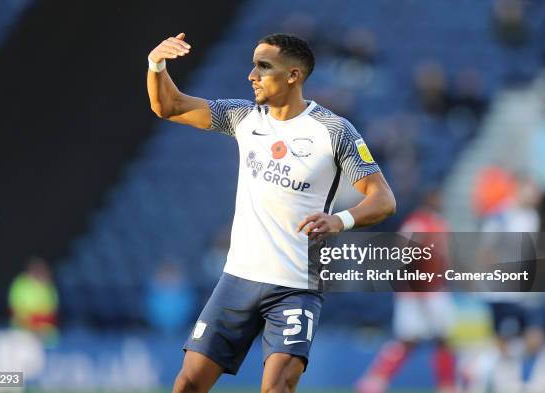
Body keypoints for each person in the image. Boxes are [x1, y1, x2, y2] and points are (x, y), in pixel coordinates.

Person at [147, 32, 396, 392]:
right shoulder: (244, 117)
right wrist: (156, 63)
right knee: (188, 383)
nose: (252, 75)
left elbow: (383, 199)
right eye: (253, 65)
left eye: (263, 67)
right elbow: (168, 106)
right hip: (238, 279)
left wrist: (339, 220)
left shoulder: (333, 131)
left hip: (295, 286)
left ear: (293, 75)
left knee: (278, 386)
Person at [356, 188, 456, 393]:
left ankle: (446, 384)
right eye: (438, 197)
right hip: (419, 292)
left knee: (437, 338)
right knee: (415, 339)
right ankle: (375, 380)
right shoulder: (417, 224)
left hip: (434, 289)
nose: (441, 200)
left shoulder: (439, 224)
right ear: (429, 199)